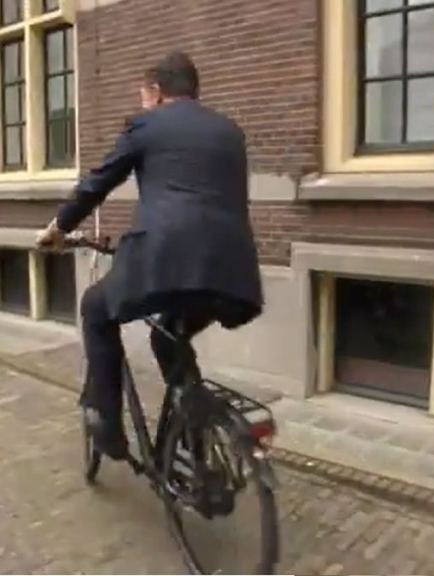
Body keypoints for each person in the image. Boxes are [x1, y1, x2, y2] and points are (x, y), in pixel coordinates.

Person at [35, 51, 263, 460]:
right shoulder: (230, 131)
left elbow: (97, 184)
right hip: (234, 270)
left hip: (166, 257)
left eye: (142, 94)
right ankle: (194, 437)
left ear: (156, 92)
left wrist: (58, 229)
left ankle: (107, 424)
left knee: (95, 308)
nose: (142, 102)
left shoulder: (147, 125)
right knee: (169, 334)